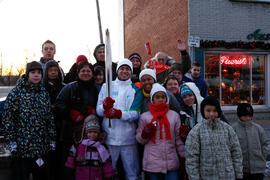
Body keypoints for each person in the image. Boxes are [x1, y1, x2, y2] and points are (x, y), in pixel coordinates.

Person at [1, 61, 56, 180]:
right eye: (33, 72)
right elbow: (8, 117)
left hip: (41, 146)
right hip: (22, 146)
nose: (36, 75)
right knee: (22, 175)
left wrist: (51, 138)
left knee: (40, 175)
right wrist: (11, 141)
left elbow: (49, 117)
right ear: (27, 74)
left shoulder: (43, 92)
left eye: (39, 73)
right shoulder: (17, 92)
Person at [96, 59, 143, 180]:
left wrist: (118, 113)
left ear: (131, 72)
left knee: (132, 173)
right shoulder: (107, 86)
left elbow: (135, 114)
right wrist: (105, 108)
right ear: (117, 71)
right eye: (122, 68)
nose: (124, 71)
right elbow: (99, 111)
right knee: (108, 173)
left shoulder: (135, 90)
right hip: (110, 137)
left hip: (129, 139)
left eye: (127, 69)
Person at [54, 61, 99, 180]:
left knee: (88, 163)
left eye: (88, 71)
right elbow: (58, 105)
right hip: (70, 133)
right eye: (82, 71)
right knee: (70, 163)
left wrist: (95, 112)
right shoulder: (69, 88)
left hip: (92, 134)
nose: (85, 73)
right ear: (78, 73)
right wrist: (70, 112)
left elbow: (102, 107)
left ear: (92, 74)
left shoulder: (97, 89)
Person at [185, 96, 243, 180]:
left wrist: (238, 174)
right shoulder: (196, 132)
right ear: (203, 111)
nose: (211, 114)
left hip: (228, 175)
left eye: (215, 111)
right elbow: (191, 159)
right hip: (207, 176)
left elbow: (236, 153)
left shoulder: (227, 129)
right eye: (208, 111)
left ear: (219, 112)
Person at [136, 83, 185, 180]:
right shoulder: (145, 117)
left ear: (167, 99)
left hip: (171, 161)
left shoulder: (174, 116)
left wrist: (184, 155)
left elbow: (177, 139)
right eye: (157, 97)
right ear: (152, 99)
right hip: (152, 162)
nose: (160, 99)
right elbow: (140, 140)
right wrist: (145, 134)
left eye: (163, 97)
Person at [65, 115, 114, 180]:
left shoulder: (102, 147)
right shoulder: (78, 146)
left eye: (95, 132)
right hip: (80, 176)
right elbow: (70, 160)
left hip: (97, 177)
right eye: (90, 132)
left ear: (98, 133)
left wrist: (108, 176)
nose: (92, 134)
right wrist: (69, 172)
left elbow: (107, 164)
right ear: (86, 133)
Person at [232, 103, 270, 180]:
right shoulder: (233, 129)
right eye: (245, 116)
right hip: (242, 169)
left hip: (258, 168)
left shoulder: (258, 129)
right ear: (239, 115)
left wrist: (263, 155)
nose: (247, 118)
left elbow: (266, 143)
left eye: (249, 116)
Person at [43, 60, 65, 180]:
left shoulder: (64, 87)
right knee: (47, 157)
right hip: (45, 127)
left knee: (59, 156)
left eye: (55, 70)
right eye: (50, 70)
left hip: (60, 126)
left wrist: (57, 108)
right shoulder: (41, 87)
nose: (53, 73)